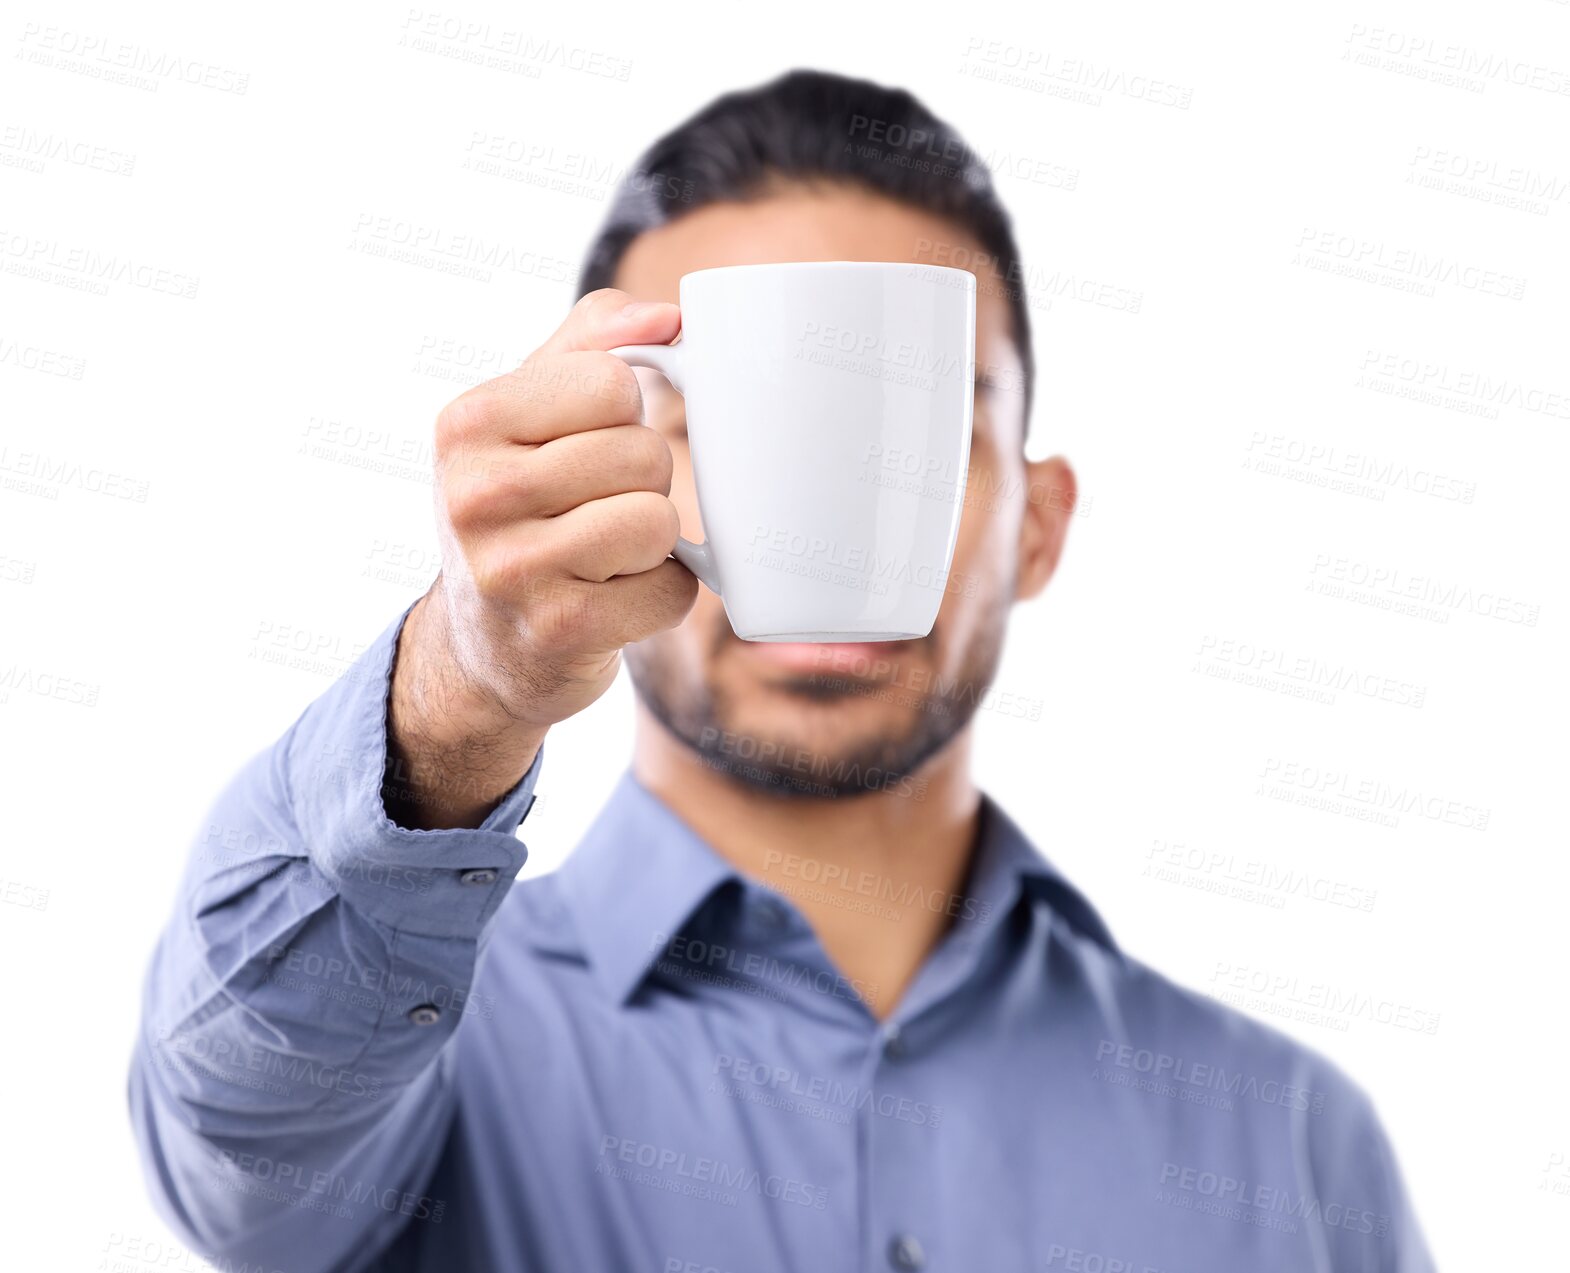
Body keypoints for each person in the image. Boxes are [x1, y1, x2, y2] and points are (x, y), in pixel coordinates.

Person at [129, 69, 1434, 1272]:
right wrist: (455, 696)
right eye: (717, 421)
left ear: (1033, 525)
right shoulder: (413, 1055)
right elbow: (235, 1153)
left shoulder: (1294, 1151)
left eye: (921, 421)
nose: (825, 505)